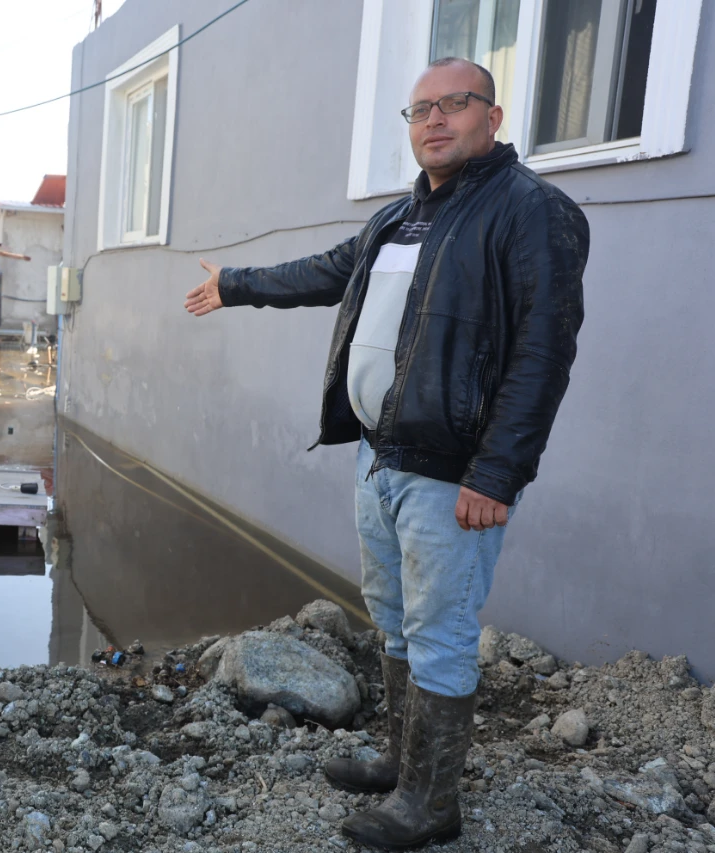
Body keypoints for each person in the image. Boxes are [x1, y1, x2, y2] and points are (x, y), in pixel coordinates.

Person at [184, 57, 589, 849]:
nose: (434, 120)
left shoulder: (531, 210)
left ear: (493, 117)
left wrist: (498, 472)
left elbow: (544, 353)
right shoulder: (400, 219)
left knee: (439, 630)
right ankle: (403, 764)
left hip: (452, 475)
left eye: (455, 104)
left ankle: (432, 804)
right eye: (419, 110)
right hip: (379, 458)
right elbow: (329, 272)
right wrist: (237, 282)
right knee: (396, 621)